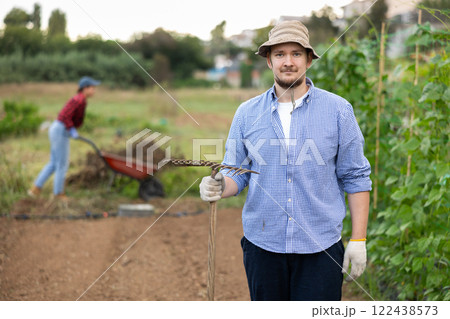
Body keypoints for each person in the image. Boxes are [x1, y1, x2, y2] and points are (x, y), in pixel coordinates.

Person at [199, 20, 371, 301]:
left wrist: (359, 240)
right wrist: (218, 185)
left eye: (296, 54)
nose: (288, 62)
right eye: (279, 54)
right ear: (269, 61)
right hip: (263, 247)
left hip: (321, 248)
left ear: (308, 60)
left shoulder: (338, 110)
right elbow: (237, 173)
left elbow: (355, 176)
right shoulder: (246, 113)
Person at [28, 76, 101, 200]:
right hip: (60, 129)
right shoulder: (78, 100)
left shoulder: (81, 99)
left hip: (59, 128)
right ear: (85, 88)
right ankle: (58, 194)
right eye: (92, 88)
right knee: (62, 164)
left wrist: (72, 128)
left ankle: (35, 189)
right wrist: (71, 129)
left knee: (54, 163)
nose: (94, 91)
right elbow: (65, 116)